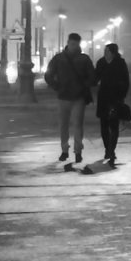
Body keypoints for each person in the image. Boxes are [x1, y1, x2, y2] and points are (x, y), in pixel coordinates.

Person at [44, 33, 96, 163]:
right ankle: (65, 150)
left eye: (76, 44)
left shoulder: (80, 59)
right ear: (68, 43)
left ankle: (77, 151)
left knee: (76, 125)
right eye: (72, 44)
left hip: (77, 98)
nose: (74, 46)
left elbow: (92, 77)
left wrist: (83, 86)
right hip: (64, 97)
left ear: (78, 44)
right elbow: (48, 75)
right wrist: (57, 87)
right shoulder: (61, 58)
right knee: (64, 125)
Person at [94, 42, 130, 166]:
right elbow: (95, 77)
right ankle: (107, 149)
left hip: (116, 98)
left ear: (113, 52)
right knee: (104, 125)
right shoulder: (101, 63)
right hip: (103, 97)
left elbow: (126, 81)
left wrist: (122, 96)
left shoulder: (120, 63)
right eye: (105, 51)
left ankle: (111, 150)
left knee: (114, 126)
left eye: (107, 51)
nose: (105, 53)